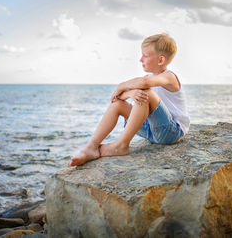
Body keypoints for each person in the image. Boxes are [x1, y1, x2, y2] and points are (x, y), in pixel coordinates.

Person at [70, 33, 190, 166]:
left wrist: (121, 86)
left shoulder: (169, 77)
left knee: (145, 92)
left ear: (161, 60)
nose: (140, 59)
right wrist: (129, 93)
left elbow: (145, 84)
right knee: (118, 105)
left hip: (171, 132)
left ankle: (121, 145)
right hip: (151, 131)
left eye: (145, 55)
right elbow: (118, 97)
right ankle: (91, 147)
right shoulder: (147, 78)